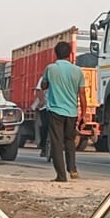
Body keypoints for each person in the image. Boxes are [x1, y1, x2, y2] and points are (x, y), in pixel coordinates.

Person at [40, 41, 86, 182]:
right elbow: (82, 95)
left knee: (57, 143)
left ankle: (61, 176)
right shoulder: (77, 71)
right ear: (70, 54)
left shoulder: (50, 68)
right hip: (71, 112)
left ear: (56, 54)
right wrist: (83, 114)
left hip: (55, 111)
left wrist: (48, 81)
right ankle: (72, 169)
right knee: (70, 141)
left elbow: (43, 86)